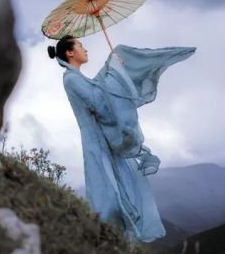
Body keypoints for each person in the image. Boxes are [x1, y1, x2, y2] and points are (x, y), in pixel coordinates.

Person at [48, 35, 196, 242]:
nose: (86, 50)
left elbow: (96, 87)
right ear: (70, 52)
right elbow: (97, 101)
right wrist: (115, 74)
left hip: (103, 140)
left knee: (120, 184)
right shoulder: (71, 79)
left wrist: (117, 67)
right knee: (107, 187)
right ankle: (104, 235)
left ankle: (117, 236)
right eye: (80, 46)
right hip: (96, 141)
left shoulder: (77, 78)